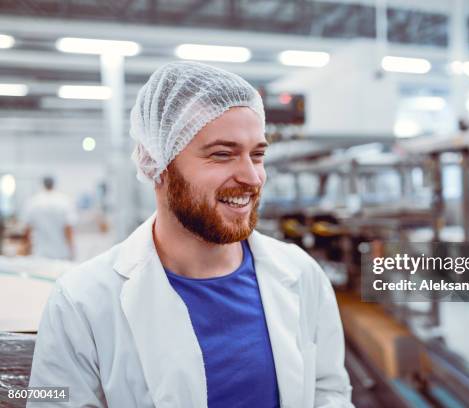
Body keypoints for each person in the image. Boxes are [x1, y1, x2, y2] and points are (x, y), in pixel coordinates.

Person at [28, 61, 353, 407]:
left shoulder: (301, 275)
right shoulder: (82, 302)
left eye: (257, 155)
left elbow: (328, 390)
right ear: (158, 164)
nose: (252, 177)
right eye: (222, 155)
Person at [23, 176, 76, 260]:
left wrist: (27, 249)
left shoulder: (33, 202)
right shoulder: (64, 201)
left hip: (40, 253)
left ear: (43, 184)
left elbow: (27, 230)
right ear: (54, 184)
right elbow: (68, 229)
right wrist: (72, 250)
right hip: (61, 253)